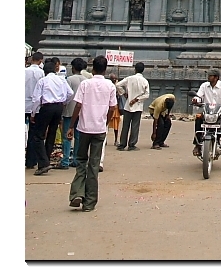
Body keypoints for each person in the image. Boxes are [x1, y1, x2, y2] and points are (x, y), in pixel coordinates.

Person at [67, 56, 117, 212]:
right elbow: (112, 108)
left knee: (81, 160)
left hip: (84, 128)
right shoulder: (110, 85)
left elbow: (78, 105)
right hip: (100, 129)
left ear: (92, 68)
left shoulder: (85, 84)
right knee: (94, 165)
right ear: (105, 69)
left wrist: (71, 125)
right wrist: (106, 122)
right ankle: (89, 203)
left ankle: (77, 193)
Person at [29, 59, 73, 175]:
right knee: (51, 134)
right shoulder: (61, 80)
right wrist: (64, 102)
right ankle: (46, 159)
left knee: (38, 136)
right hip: (58, 107)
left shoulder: (43, 81)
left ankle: (43, 163)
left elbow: (37, 99)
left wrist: (33, 114)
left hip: (47, 107)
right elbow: (70, 93)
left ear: (44, 71)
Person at [191, 69, 221, 170]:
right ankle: (197, 144)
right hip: (207, 113)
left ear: (216, 77)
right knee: (198, 118)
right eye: (208, 75)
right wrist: (196, 100)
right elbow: (199, 95)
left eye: (211, 76)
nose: (208, 77)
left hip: (220, 114)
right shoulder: (204, 86)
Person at [116, 62, 150, 151]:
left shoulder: (129, 78)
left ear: (135, 69)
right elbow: (147, 95)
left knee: (125, 126)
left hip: (128, 106)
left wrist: (124, 94)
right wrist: (137, 99)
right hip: (138, 106)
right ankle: (132, 145)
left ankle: (122, 144)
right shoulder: (145, 81)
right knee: (135, 126)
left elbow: (118, 85)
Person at [25, 52, 44, 168]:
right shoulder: (41, 73)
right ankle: (31, 161)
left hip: (23, 102)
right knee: (33, 134)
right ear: (40, 61)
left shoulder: (23, 71)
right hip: (35, 105)